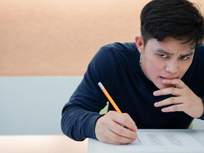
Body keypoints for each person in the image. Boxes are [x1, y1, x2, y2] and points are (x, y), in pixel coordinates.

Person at [61, 0, 204, 145]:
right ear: (140, 44)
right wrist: (95, 124)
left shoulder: (201, 59)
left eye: (185, 57)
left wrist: (201, 107)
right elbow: (70, 116)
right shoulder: (113, 59)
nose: (173, 69)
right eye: (162, 55)